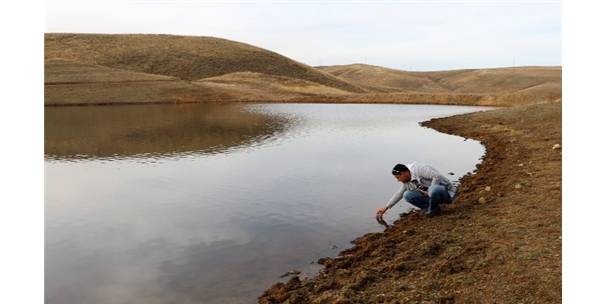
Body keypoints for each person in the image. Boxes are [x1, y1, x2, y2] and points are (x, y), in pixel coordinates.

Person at [376, 162, 457, 219]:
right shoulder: (407, 181)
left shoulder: (418, 169)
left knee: (433, 189)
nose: (398, 180)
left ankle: (435, 206)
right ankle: (434, 209)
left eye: (398, 177)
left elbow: (437, 176)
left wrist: (430, 191)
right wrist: (386, 208)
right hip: (433, 195)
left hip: (446, 191)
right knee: (407, 195)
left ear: (404, 173)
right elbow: (399, 194)